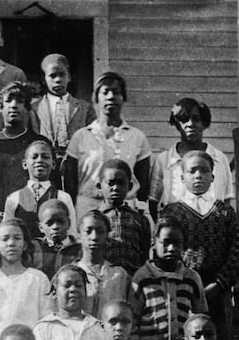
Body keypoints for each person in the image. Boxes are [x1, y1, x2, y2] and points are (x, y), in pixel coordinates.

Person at [158, 149, 239, 340]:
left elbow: (237, 252)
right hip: (182, 289)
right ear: (182, 177)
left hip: (217, 289)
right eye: (192, 171)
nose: (198, 175)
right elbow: (163, 251)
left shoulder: (224, 212)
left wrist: (219, 284)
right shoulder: (171, 212)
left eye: (204, 171)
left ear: (213, 176)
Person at [63, 72, 152, 219]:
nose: (111, 97)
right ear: (96, 98)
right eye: (105, 92)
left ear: (123, 98)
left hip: (125, 212)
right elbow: (70, 183)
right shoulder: (81, 136)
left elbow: (143, 184)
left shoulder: (137, 137)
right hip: (87, 211)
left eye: (116, 92)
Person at [129, 215, 205, 340]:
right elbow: (133, 321)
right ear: (154, 242)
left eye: (177, 243)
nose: (171, 248)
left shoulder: (192, 278)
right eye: (166, 242)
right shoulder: (142, 278)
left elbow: (202, 318)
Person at [150, 97, 234, 213]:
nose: (190, 124)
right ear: (177, 124)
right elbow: (153, 201)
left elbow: (226, 199)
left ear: (204, 123)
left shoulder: (219, 158)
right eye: (184, 120)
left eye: (196, 119)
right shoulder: (164, 160)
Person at [0, 82, 49, 211]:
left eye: (20, 101)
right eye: (9, 101)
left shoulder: (40, 144)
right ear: (0, 107)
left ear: (27, 107)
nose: (14, 105)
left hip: (33, 215)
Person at [2, 138, 76, 244]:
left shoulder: (63, 197)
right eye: (34, 157)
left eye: (45, 157)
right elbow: (7, 233)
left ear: (54, 164)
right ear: (24, 164)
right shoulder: (13, 199)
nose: (40, 160)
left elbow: (71, 233)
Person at [90, 158, 152, 276]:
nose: (116, 188)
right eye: (111, 183)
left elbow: (144, 254)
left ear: (129, 186)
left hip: (133, 279)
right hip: (103, 278)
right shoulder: (94, 218)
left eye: (121, 183)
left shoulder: (140, 219)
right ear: (99, 185)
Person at [32, 53, 95, 161]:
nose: (58, 80)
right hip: (46, 162)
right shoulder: (34, 108)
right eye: (52, 76)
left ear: (69, 77)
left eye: (62, 75)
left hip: (76, 161)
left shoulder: (85, 107)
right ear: (44, 79)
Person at [73, 210, 131, 316]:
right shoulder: (72, 273)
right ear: (79, 236)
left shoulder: (119, 275)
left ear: (107, 236)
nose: (94, 237)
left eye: (100, 232)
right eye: (88, 231)